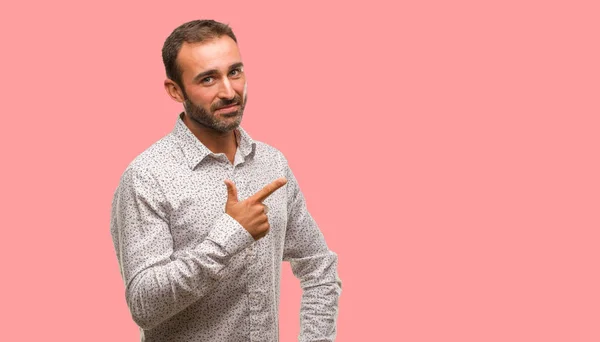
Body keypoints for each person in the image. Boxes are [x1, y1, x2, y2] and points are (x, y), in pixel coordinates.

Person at [110, 19, 342, 342]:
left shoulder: (273, 164)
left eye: (234, 72)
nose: (229, 91)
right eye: (208, 79)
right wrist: (228, 237)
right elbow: (143, 304)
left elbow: (319, 268)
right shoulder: (147, 176)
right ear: (174, 90)